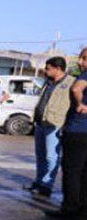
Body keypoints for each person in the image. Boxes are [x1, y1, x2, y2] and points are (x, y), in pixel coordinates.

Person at [26, 57, 75, 198]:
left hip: (55, 123)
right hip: (41, 122)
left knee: (51, 156)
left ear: (58, 69)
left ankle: (47, 185)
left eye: (48, 68)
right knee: (40, 155)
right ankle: (39, 181)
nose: (45, 71)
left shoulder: (71, 82)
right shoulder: (48, 82)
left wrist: (66, 124)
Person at [47, 48, 87, 219]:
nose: (80, 62)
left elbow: (76, 89)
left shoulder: (84, 76)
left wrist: (80, 104)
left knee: (72, 170)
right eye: (80, 58)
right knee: (84, 171)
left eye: (84, 58)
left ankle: (70, 207)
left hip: (77, 130)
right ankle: (81, 205)